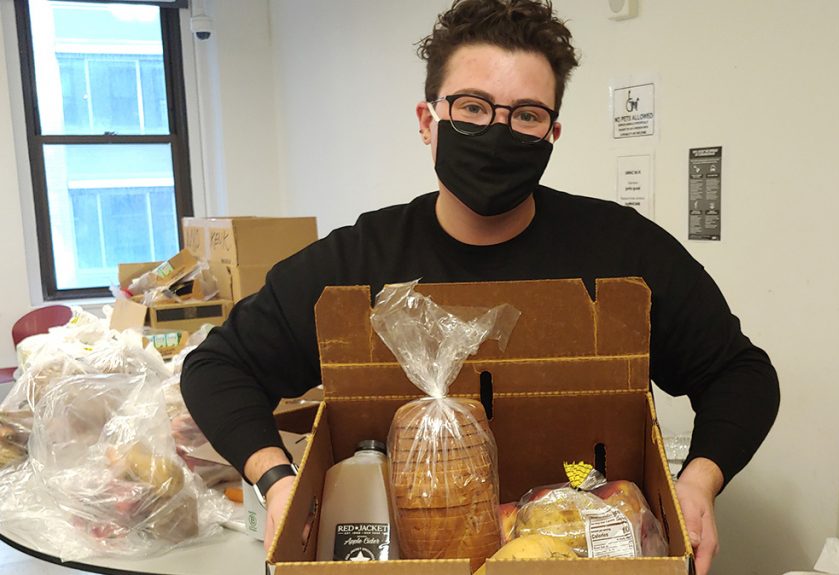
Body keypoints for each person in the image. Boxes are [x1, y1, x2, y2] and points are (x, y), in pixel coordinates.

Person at [180, 1, 779, 573]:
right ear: (427, 120)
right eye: (472, 107)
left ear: (551, 134)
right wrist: (279, 483)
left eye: (525, 115)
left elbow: (742, 375)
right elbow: (217, 367)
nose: (498, 131)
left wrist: (698, 482)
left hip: (585, 546)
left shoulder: (623, 252)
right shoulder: (358, 261)